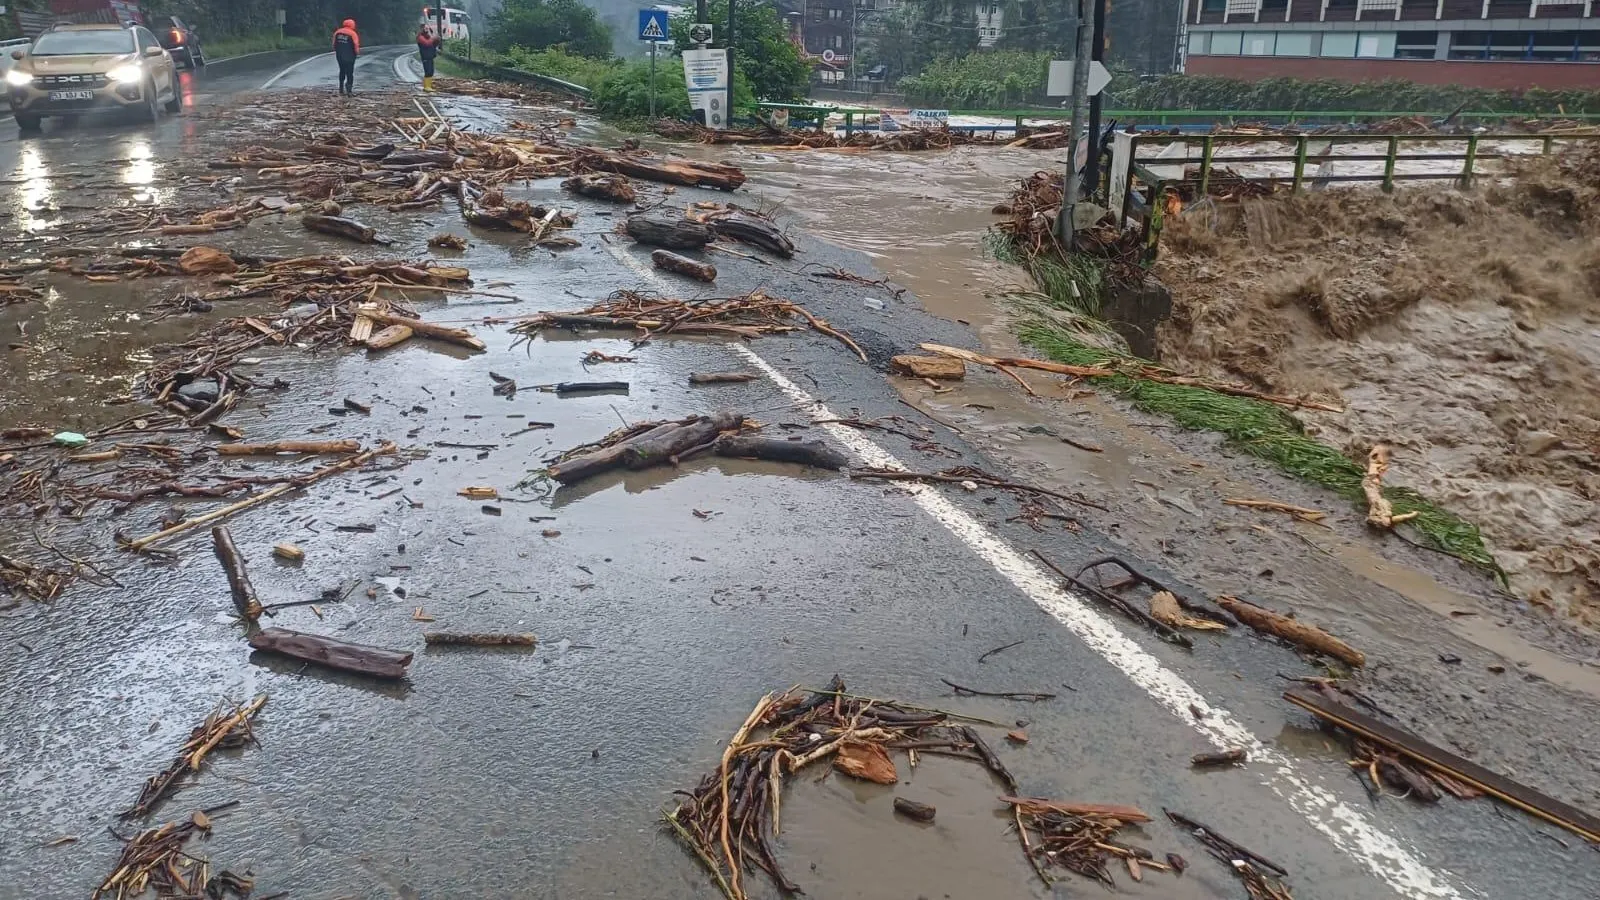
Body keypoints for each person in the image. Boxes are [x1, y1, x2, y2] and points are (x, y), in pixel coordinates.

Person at [332, 18, 360, 95]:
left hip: (340, 56)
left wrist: (337, 50)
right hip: (350, 56)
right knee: (350, 72)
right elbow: (356, 45)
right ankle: (349, 89)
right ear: (352, 25)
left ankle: (341, 88)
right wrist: (357, 53)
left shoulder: (337, 32)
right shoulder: (353, 34)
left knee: (342, 70)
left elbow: (334, 44)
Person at [416, 25, 440, 92]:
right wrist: (433, 38)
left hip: (430, 56)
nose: (427, 29)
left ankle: (428, 86)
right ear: (422, 29)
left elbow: (432, 44)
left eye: (427, 28)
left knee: (431, 71)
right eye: (425, 28)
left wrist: (437, 40)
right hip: (425, 56)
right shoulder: (420, 37)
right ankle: (426, 87)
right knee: (428, 71)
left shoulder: (428, 36)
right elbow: (427, 43)